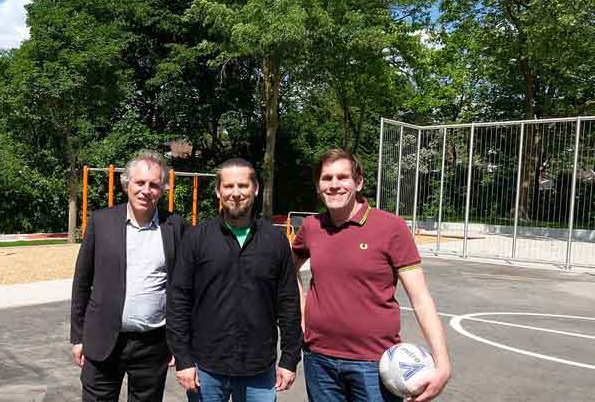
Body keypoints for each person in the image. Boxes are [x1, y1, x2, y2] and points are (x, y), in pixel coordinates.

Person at [292, 148, 452, 402]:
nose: (334, 185)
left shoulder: (391, 227)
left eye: (343, 177)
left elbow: (421, 298)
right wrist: (300, 312)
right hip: (319, 360)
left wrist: (442, 362)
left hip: (374, 364)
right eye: (327, 178)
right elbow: (288, 271)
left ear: (358, 182)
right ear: (318, 185)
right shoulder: (312, 228)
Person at [167, 158, 301, 401]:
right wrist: (183, 359)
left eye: (243, 186)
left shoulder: (276, 240)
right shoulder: (196, 238)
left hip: (259, 368)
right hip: (205, 368)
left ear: (256, 188)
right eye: (228, 186)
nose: (236, 193)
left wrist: (290, 358)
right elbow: (178, 302)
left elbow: (288, 303)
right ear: (219, 190)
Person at [70, 149, 188, 401]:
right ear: (127, 184)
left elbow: (183, 288)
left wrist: (181, 344)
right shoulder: (101, 221)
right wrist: (78, 337)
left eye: (154, 184)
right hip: (102, 341)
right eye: (140, 182)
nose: (146, 190)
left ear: (162, 189)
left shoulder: (175, 226)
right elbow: (82, 282)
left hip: (153, 345)